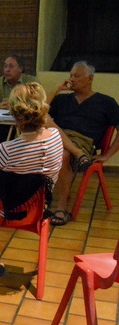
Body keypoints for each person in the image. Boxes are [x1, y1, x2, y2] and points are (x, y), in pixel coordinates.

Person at [44, 61, 119, 226]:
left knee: (63, 153)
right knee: (44, 120)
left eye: (77, 76)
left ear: (90, 79)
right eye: (71, 75)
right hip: (55, 139)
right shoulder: (62, 99)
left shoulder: (106, 102)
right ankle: (78, 155)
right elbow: (39, 111)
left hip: (82, 141)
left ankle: (61, 207)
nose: (72, 79)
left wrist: (107, 155)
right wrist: (57, 89)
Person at [0, 83, 64, 183]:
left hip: (13, 193)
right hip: (45, 192)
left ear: (14, 114)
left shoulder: (6, 150)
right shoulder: (56, 136)